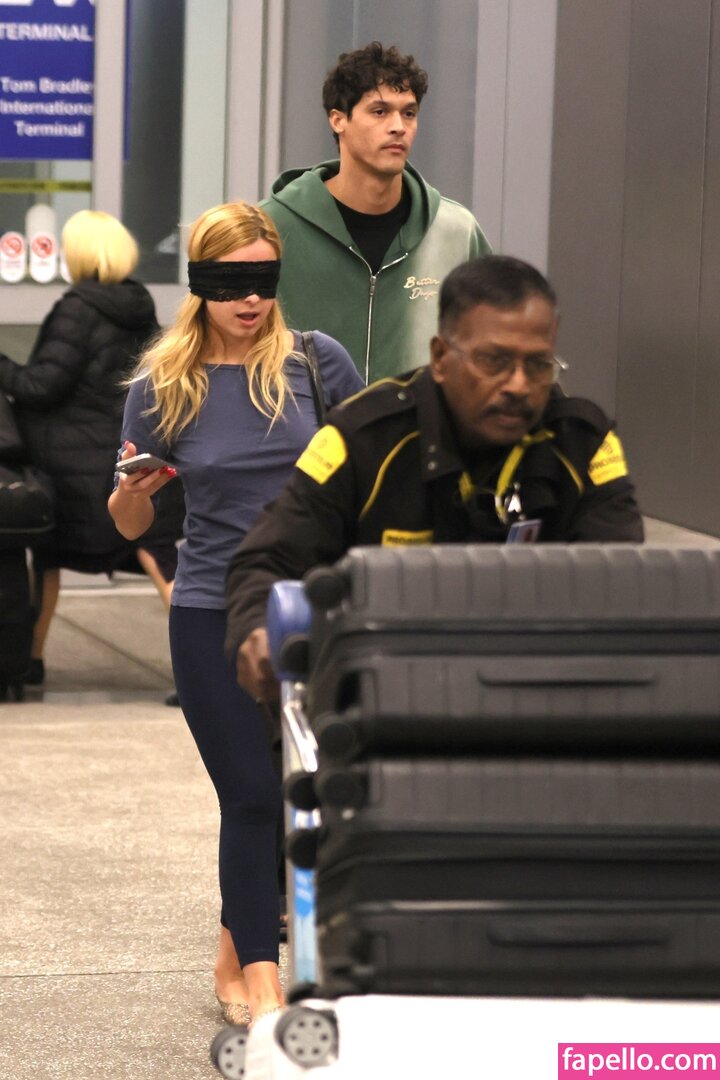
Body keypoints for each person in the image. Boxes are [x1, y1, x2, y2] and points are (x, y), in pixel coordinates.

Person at [107, 201, 363, 1026]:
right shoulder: (163, 383)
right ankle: (264, 977)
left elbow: (368, 475)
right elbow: (129, 525)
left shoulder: (316, 364)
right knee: (251, 792)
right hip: (210, 609)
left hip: (311, 610)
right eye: (229, 283)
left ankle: (235, 943)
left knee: (299, 794)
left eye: (262, 279)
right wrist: (135, 492)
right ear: (199, 283)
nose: (249, 299)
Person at [224, 255, 644, 701]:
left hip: (540, 697)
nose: (519, 385)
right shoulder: (363, 439)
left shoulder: (582, 443)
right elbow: (267, 560)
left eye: (538, 365)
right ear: (441, 357)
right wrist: (257, 629)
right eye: (494, 361)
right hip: (386, 698)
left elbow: (620, 577)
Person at [0, 209, 173, 686]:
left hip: (71, 458)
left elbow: (41, 386)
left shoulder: (78, 308)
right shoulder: (138, 304)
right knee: (153, 550)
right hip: (121, 447)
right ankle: (194, 662)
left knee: (48, 554)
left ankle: (31, 659)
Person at [262, 40, 492, 383]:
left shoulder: (456, 232)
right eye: (380, 111)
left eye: (409, 113)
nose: (398, 126)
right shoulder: (271, 228)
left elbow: (494, 343)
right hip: (297, 417)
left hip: (419, 418)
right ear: (338, 120)